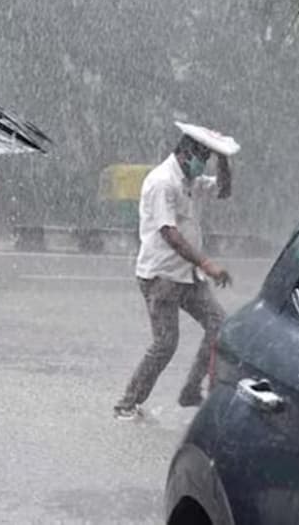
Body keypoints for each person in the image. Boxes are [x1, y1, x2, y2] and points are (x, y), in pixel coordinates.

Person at [114, 133, 233, 420]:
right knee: (166, 343)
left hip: (187, 276)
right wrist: (207, 263)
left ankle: (191, 390)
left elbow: (223, 191)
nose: (202, 166)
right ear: (184, 154)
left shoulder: (190, 181)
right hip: (161, 276)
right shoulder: (162, 181)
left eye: (207, 160)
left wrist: (224, 159)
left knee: (219, 326)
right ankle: (127, 404)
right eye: (200, 158)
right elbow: (170, 234)